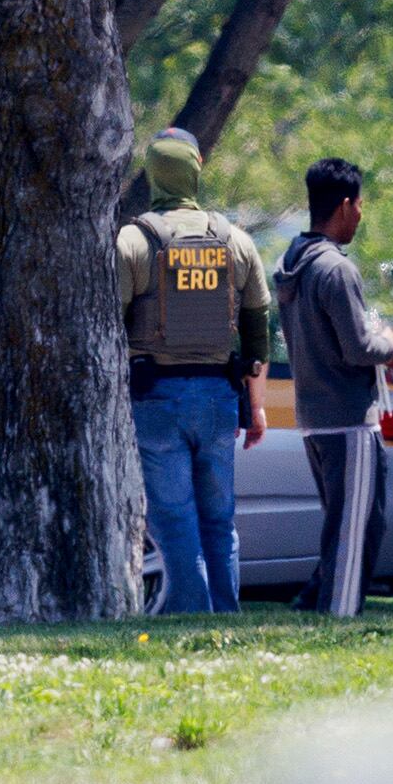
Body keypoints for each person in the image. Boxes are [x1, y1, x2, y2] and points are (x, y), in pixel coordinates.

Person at [116, 128, 271, 614]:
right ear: (196, 168)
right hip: (220, 397)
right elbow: (257, 332)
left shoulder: (132, 241)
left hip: (155, 397)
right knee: (219, 521)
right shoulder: (236, 241)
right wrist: (258, 407)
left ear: (154, 171)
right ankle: (225, 614)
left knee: (173, 518)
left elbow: (109, 324)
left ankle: (192, 616)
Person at [274, 159, 393, 617]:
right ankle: (338, 621)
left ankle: (314, 603)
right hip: (348, 419)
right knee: (354, 529)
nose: (361, 214)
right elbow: (356, 348)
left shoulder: (293, 261)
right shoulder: (335, 268)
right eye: (360, 205)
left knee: (356, 521)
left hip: (314, 417)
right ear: (347, 205)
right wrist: (390, 344)